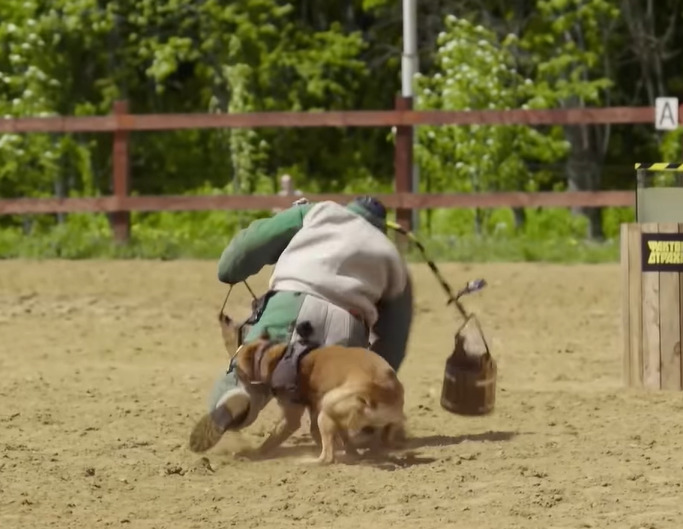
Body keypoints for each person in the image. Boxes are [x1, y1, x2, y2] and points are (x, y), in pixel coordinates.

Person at [192, 196, 413, 451]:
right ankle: (336, 422)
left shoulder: (318, 212)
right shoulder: (392, 255)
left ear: (350, 208)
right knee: (325, 388)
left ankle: (237, 395)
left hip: (291, 303)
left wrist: (230, 270)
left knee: (254, 369)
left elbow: (250, 244)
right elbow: (394, 338)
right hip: (350, 324)